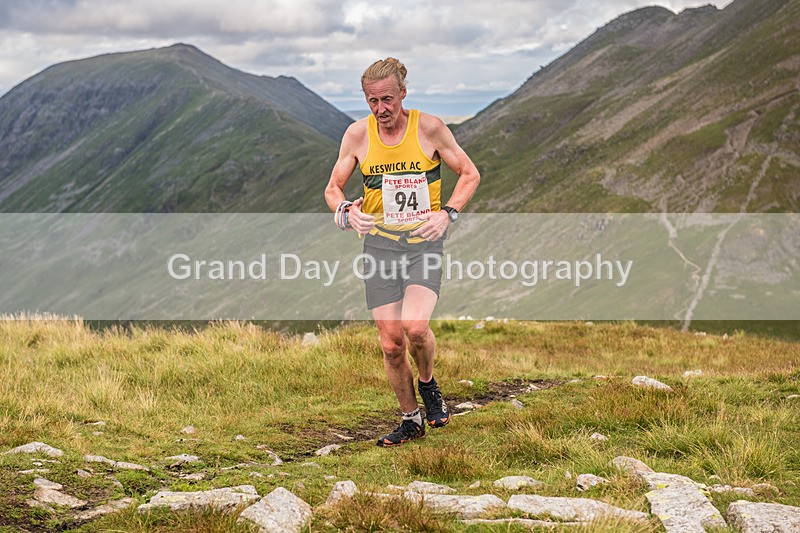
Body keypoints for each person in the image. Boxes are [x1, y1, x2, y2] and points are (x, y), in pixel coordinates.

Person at [324, 58, 480, 447]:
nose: (381, 109)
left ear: (403, 94)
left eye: (388, 99)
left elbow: (469, 173)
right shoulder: (357, 136)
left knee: (414, 327)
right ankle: (411, 420)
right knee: (391, 343)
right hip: (379, 246)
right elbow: (333, 190)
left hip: (423, 243)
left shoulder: (429, 128)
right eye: (372, 101)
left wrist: (447, 214)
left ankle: (428, 383)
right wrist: (346, 212)